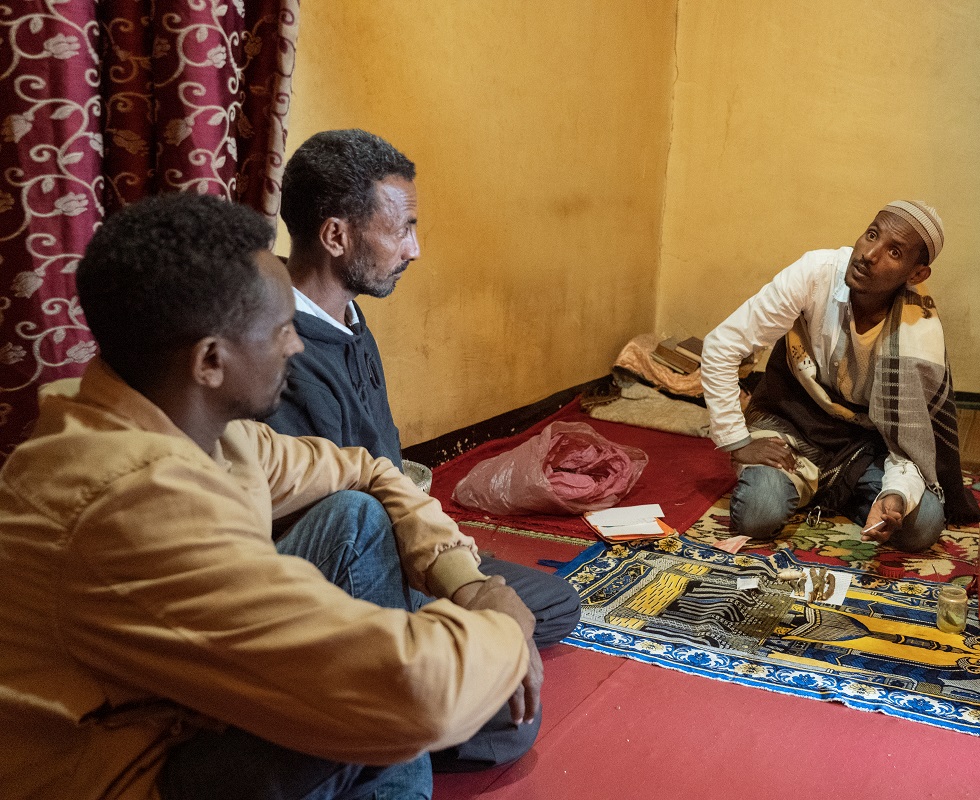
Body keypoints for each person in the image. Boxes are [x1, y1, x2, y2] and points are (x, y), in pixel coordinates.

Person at [0, 192, 539, 800]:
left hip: (174, 708)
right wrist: (503, 620)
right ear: (210, 361)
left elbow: (365, 468)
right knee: (421, 698)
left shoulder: (200, 428)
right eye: (281, 330)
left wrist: (465, 581)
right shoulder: (131, 500)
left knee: (358, 517)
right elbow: (414, 694)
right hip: (123, 770)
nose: (296, 347)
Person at [262, 129, 581, 771]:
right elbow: (331, 525)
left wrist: (452, 568)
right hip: (341, 578)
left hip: (402, 536)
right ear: (335, 237)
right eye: (402, 229)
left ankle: (436, 671)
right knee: (510, 723)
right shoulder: (272, 351)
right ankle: (386, 720)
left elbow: (380, 462)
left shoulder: (348, 320)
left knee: (552, 603)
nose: (416, 249)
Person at [701, 200, 980, 552]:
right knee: (759, 514)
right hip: (790, 425)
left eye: (893, 252)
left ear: (916, 274)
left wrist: (894, 496)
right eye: (871, 235)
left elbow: (908, 441)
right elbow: (721, 346)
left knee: (921, 526)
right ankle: (829, 489)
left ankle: (842, 490)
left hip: (864, 446)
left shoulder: (919, 333)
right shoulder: (816, 272)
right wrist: (737, 441)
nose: (869, 254)